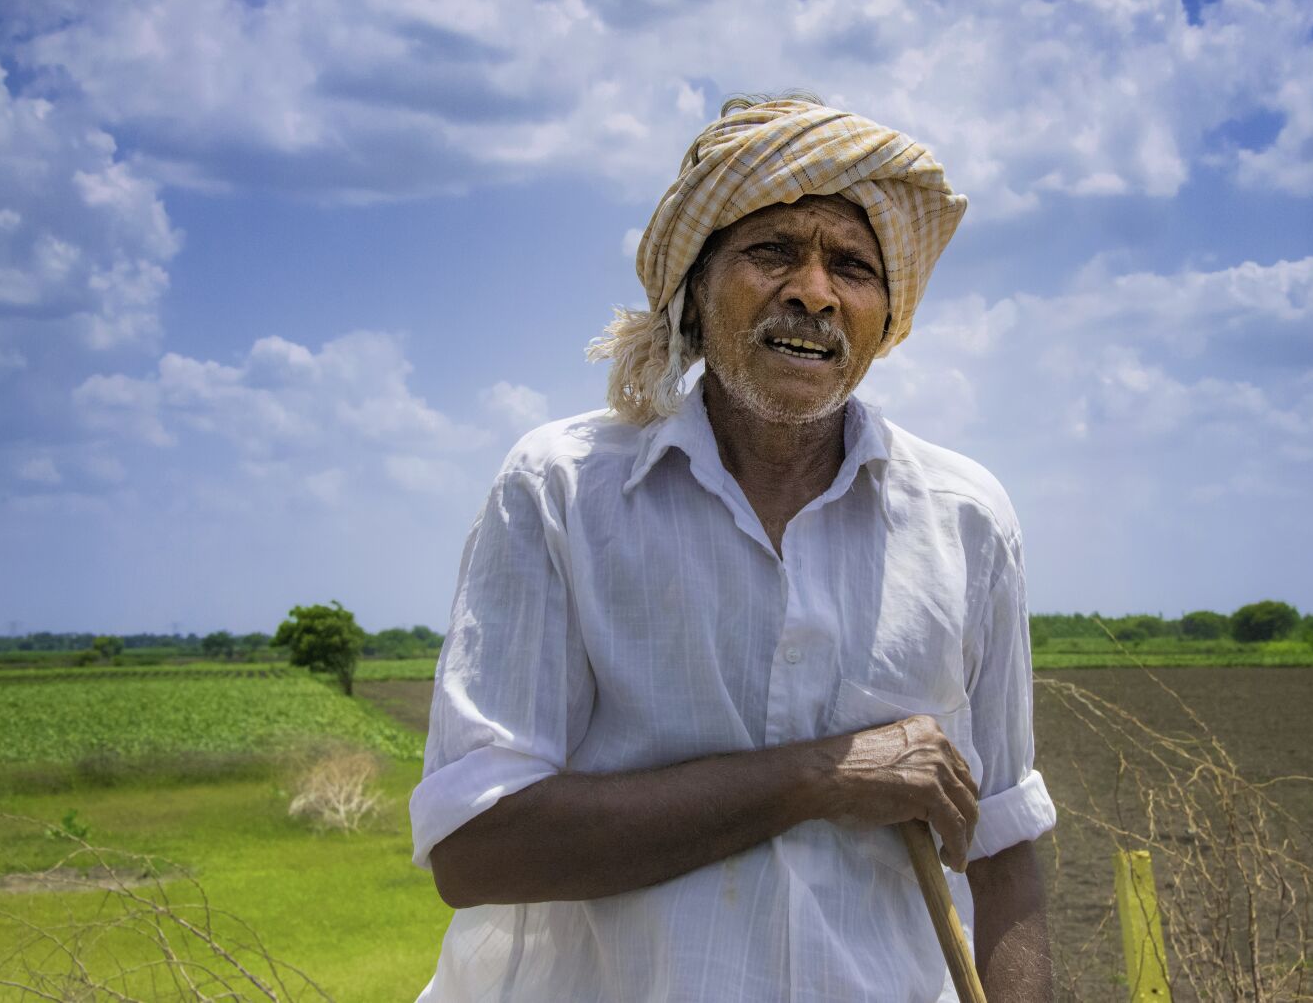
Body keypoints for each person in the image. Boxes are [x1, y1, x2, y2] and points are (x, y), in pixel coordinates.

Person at [410, 95, 1057, 1002]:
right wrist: (821, 778)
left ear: (887, 314)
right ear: (695, 288)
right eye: (772, 252)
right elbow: (478, 849)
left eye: (854, 266)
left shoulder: (964, 518)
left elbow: (1003, 841)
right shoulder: (564, 490)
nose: (814, 291)